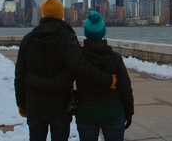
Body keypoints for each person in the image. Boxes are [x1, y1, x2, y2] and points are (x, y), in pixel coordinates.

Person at [14, 0, 117, 141]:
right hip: (60, 106)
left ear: (42, 14)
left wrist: (21, 104)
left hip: (35, 105)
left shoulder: (28, 39)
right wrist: (108, 80)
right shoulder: (68, 38)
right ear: (61, 15)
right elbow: (79, 67)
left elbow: (20, 75)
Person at [26, 11, 134, 141]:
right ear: (103, 32)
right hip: (113, 112)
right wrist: (128, 112)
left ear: (86, 32)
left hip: (86, 113)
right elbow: (125, 88)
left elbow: (68, 81)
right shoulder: (115, 58)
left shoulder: (78, 58)